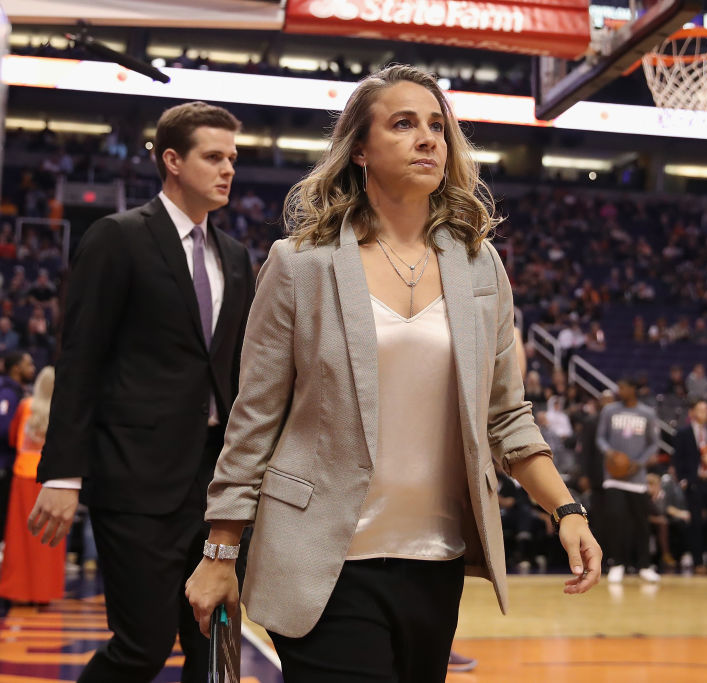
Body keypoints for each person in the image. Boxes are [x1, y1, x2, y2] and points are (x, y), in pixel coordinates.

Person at [184, 66, 601, 682]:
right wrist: (220, 552)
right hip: (321, 560)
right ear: (360, 149)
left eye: (437, 125)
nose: (428, 139)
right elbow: (254, 421)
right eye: (403, 124)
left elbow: (506, 418)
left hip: (436, 561)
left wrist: (568, 512)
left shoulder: (478, 264)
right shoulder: (301, 264)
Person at [28, 101, 255, 682]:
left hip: (219, 486)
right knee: (142, 646)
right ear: (172, 160)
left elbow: (240, 369)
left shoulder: (235, 255)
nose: (228, 169)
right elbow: (80, 360)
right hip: (136, 481)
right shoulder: (117, 237)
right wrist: (62, 474)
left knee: (217, 653)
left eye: (232, 157)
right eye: (213, 156)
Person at [0, 367, 62, 603]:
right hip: (51, 478)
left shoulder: (26, 406)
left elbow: (14, 437)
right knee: (48, 539)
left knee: (19, 537)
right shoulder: (61, 410)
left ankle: (17, 590)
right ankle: (44, 591)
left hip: (23, 476)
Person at [598, 375, 660, 583]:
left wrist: (639, 462)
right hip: (613, 477)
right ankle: (617, 563)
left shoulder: (647, 413)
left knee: (641, 523)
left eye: (623, 386)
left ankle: (644, 565)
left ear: (633, 389)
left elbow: (653, 444)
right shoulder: (609, 411)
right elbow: (600, 438)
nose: (619, 390)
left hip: (637, 477)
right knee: (616, 520)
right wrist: (611, 454)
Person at [673, 399, 707, 575]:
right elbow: (677, 459)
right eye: (701, 409)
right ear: (692, 412)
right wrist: (684, 481)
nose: (705, 413)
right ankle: (698, 563)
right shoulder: (683, 433)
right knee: (695, 523)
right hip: (694, 483)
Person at [0, 350, 34, 538]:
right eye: (28, 364)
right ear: (15, 368)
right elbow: (3, 428)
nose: (32, 368)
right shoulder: (7, 393)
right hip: (4, 464)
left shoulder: (18, 392)